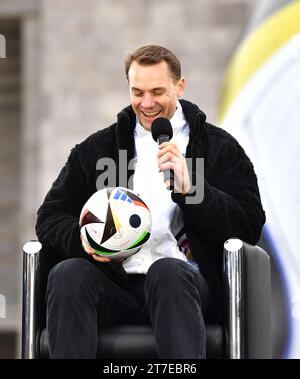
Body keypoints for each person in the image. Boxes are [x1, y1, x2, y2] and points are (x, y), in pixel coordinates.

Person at [36, 45, 265, 359]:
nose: (146, 103)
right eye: (137, 91)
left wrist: (193, 189)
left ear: (179, 86)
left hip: (184, 283)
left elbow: (249, 225)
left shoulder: (220, 148)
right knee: (68, 275)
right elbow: (50, 216)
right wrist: (83, 240)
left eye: (158, 91)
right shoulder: (97, 149)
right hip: (114, 284)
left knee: (167, 272)